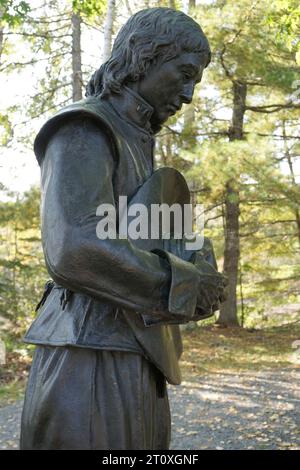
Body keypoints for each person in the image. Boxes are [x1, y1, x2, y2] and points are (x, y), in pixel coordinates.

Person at [20, 7, 226, 450]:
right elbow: (74, 246)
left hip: (139, 355)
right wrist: (185, 284)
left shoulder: (137, 139)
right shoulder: (85, 126)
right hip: (89, 357)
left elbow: (155, 234)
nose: (189, 94)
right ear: (144, 57)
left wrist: (199, 263)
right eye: (184, 73)